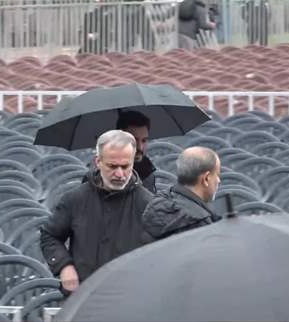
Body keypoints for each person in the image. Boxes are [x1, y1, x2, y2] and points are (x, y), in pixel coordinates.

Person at [40, 130, 153, 293]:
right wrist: (64, 266)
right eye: (113, 166)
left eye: (125, 166)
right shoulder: (75, 199)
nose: (120, 174)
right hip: (82, 294)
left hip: (130, 295)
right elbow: (49, 235)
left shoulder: (148, 204)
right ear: (98, 161)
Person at [142, 146, 222, 240]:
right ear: (206, 178)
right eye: (217, 174)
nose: (219, 180)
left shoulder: (156, 204)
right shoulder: (200, 224)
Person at [82, 111, 157, 193]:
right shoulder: (97, 176)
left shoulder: (147, 171)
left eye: (144, 140)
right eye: (134, 140)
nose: (140, 147)